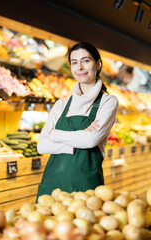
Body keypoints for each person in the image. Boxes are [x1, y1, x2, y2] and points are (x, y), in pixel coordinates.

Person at [36, 42, 119, 199]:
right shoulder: (61, 104)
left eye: (86, 61)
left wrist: (54, 134)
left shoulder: (108, 102)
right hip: (52, 185)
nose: (79, 67)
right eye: (74, 62)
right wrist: (79, 138)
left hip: (86, 189)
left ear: (98, 64)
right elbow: (42, 145)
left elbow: (90, 140)